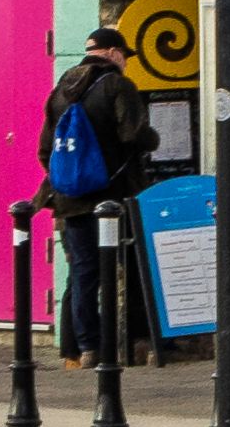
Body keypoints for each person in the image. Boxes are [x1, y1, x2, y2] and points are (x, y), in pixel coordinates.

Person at [38, 29, 150, 364]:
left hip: (71, 199)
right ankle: (134, 342)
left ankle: (84, 348)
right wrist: (153, 141)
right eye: (125, 56)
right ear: (115, 53)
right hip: (115, 198)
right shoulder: (117, 86)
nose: (126, 62)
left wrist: (74, 179)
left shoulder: (60, 91)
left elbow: (46, 151)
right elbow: (134, 135)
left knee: (83, 272)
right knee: (130, 267)